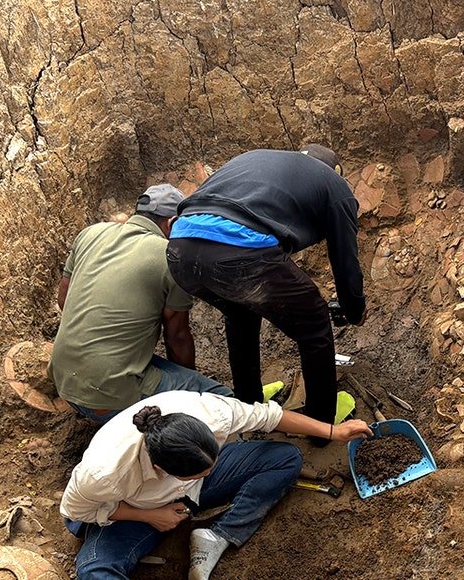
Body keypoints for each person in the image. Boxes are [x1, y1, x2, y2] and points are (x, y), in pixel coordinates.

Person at [60, 390, 373, 579]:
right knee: (95, 570)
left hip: (184, 493)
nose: (209, 474)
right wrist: (149, 516)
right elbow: (74, 511)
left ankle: (217, 536)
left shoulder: (210, 413)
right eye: (198, 473)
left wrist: (333, 431)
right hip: (137, 508)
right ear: (160, 468)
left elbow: (269, 417)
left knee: (285, 458)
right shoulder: (104, 474)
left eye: (210, 466)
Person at [165, 144, 366, 432]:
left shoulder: (256, 159)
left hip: (180, 249)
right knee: (315, 325)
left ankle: (249, 406)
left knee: (241, 311)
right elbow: (344, 258)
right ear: (335, 171)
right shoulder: (334, 184)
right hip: (239, 249)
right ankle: (322, 426)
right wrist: (354, 310)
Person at [50, 184, 231, 423]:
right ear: (173, 222)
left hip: (64, 382)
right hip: (107, 397)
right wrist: (188, 394)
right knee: (219, 398)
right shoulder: (170, 256)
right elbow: (177, 338)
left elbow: (64, 300)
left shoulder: (90, 234)